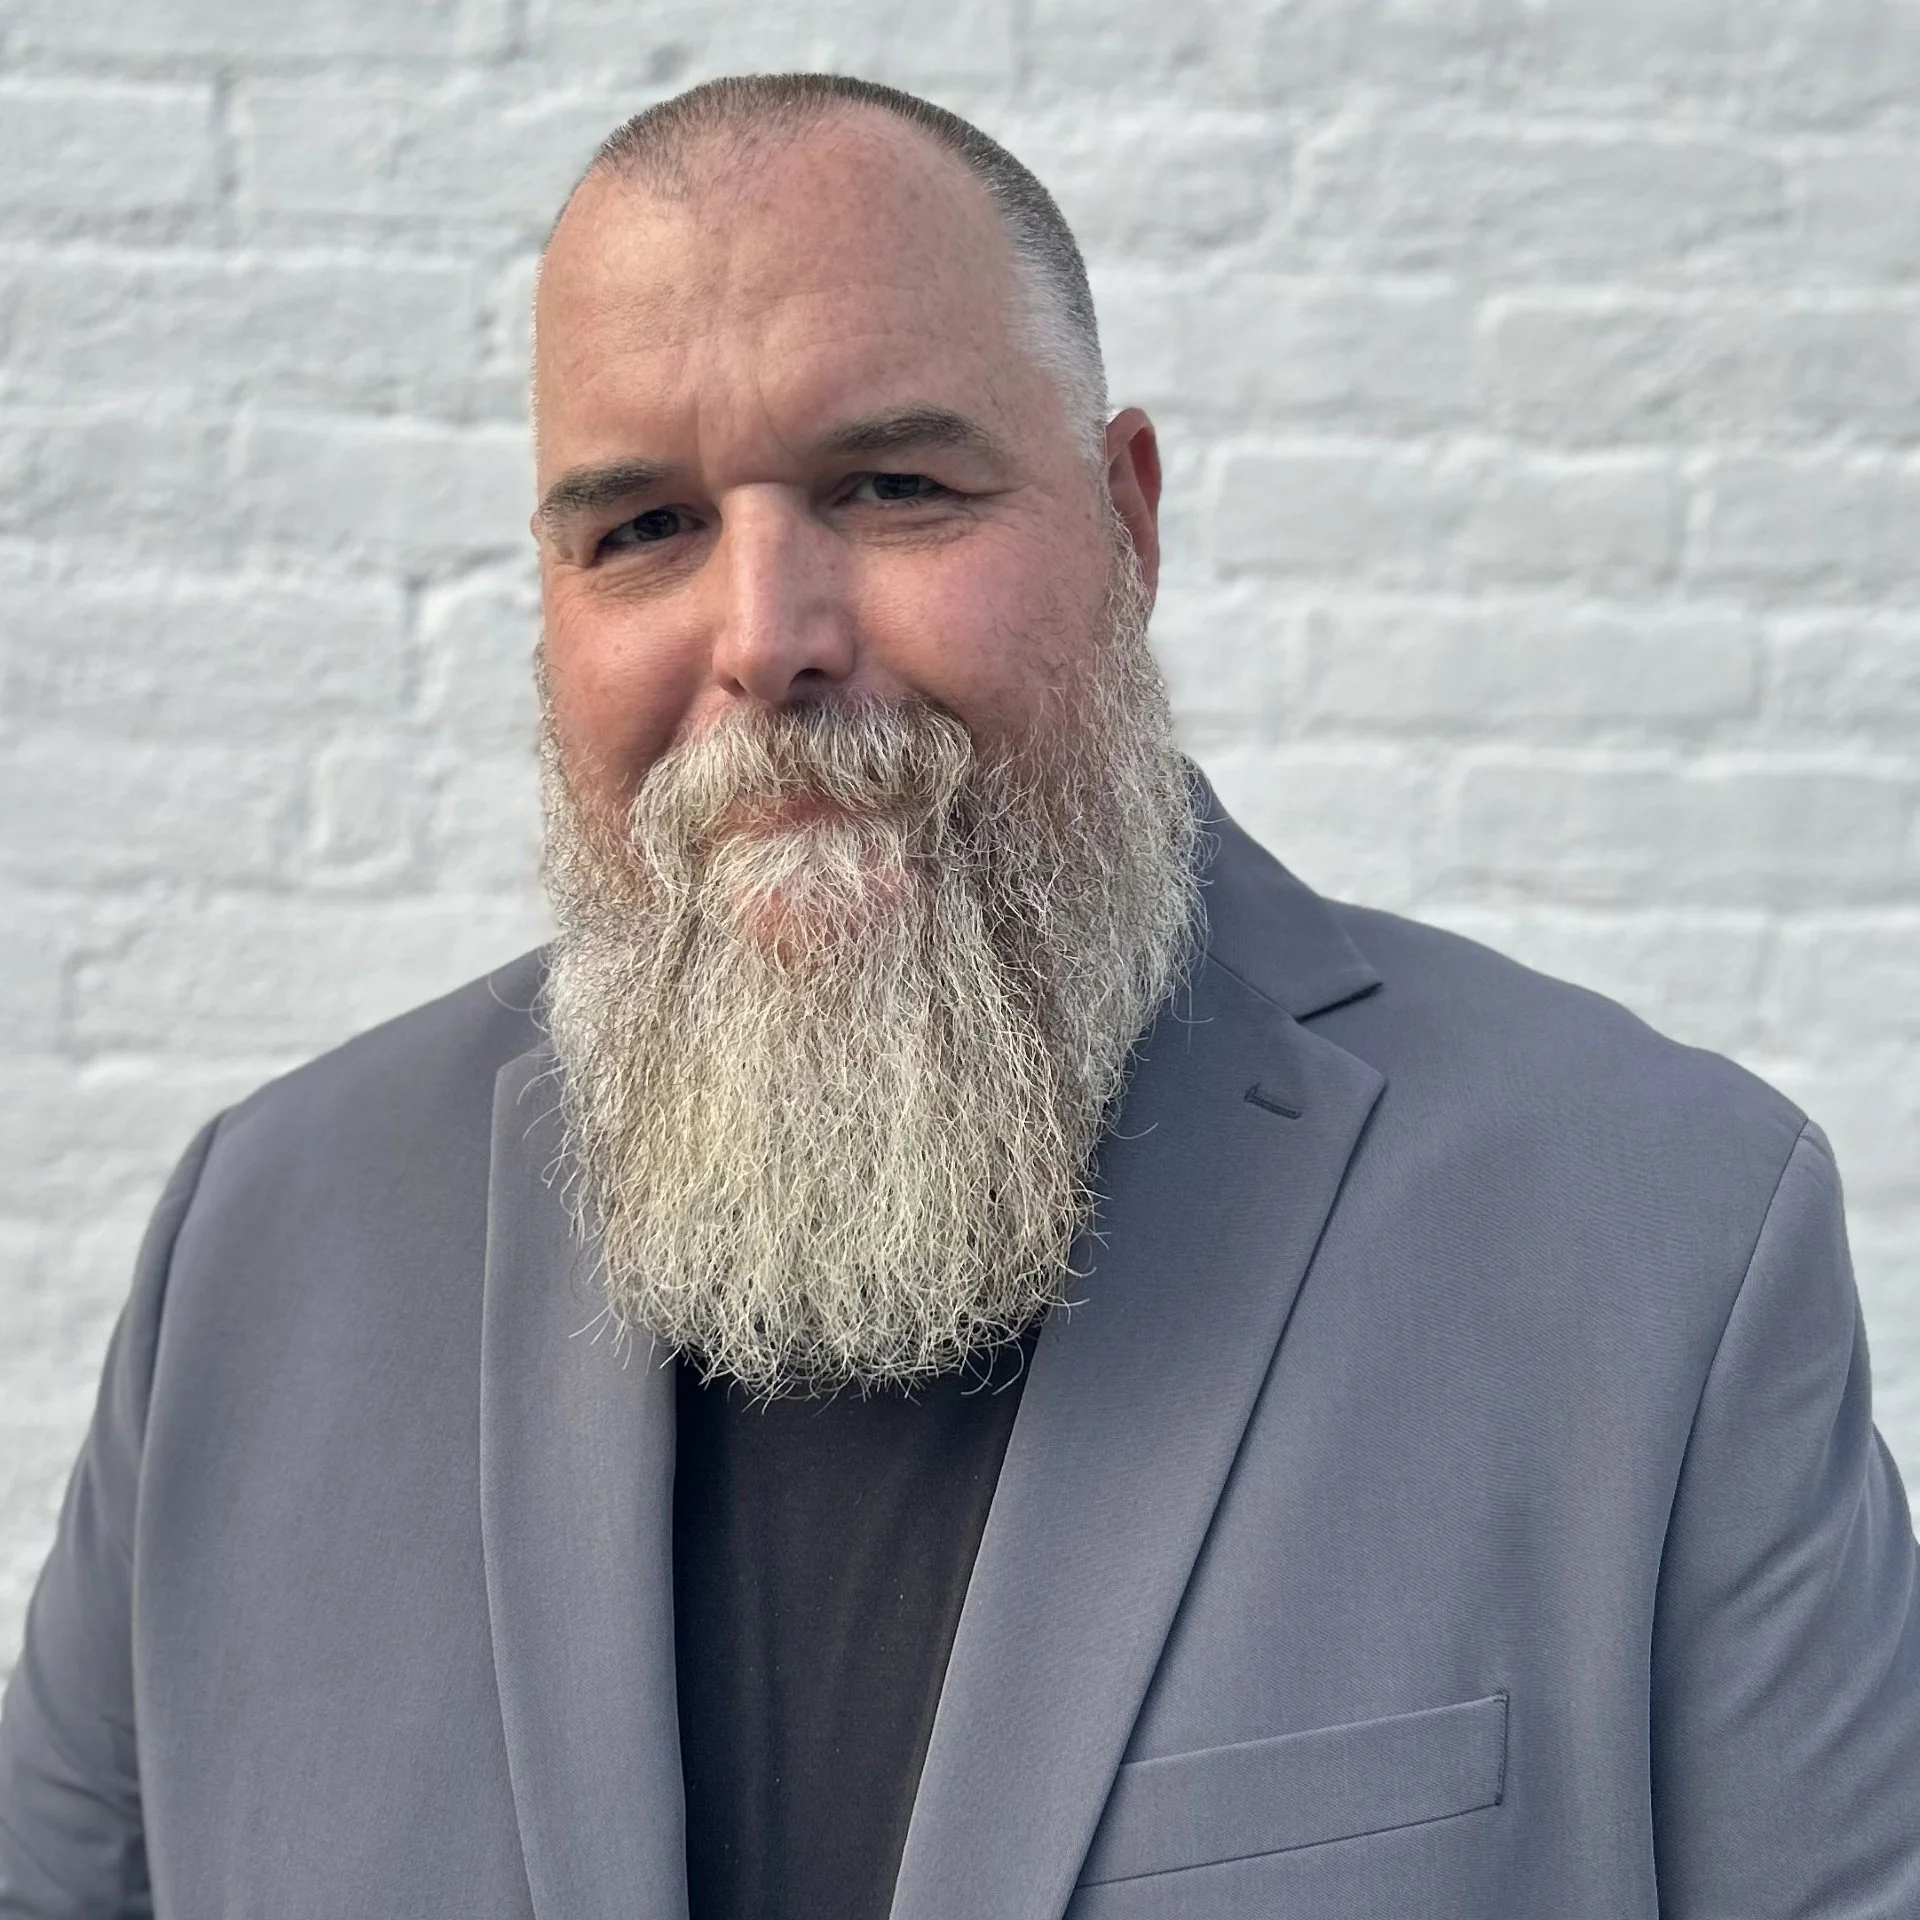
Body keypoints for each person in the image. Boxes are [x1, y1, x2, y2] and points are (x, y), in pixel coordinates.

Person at [1, 71, 1914, 1920]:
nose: (768, 639)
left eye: (894, 485)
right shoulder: (254, 1251)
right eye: (643, 530)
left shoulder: (1657, 1238)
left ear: (1130, 524)